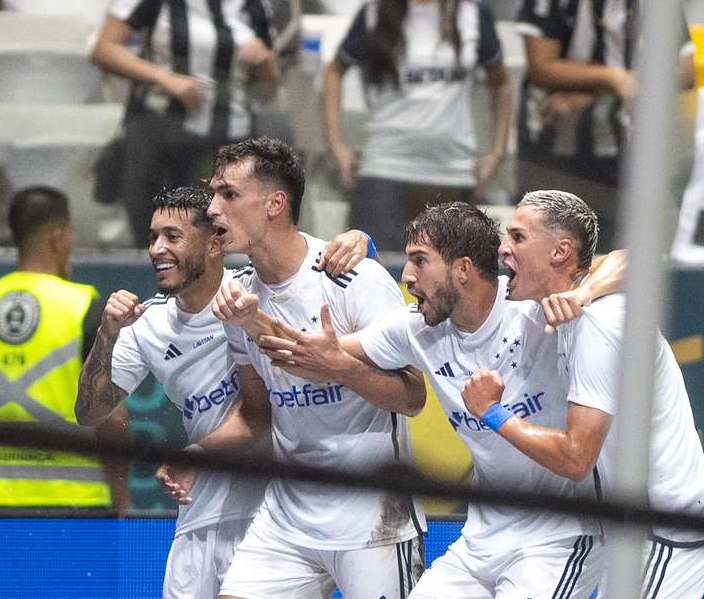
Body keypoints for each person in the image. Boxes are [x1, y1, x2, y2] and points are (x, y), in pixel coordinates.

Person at [250, 201, 626, 598]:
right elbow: (311, 355)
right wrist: (249, 319)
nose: (407, 276)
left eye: (420, 261)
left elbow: (628, 258)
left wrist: (586, 293)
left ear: (462, 269)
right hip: (480, 542)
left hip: (558, 539)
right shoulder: (416, 328)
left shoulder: (535, 308)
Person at [73, 185, 375, 599]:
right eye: (152, 237)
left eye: (173, 237)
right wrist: (107, 336)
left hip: (277, 518)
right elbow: (88, 413)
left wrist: (361, 239)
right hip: (200, 515)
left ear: (214, 243)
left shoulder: (255, 292)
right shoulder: (146, 325)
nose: (157, 249)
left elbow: (317, 268)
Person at [181, 137, 428, 598]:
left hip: (373, 521)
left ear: (275, 203)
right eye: (213, 193)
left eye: (229, 195)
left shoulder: (353, 278)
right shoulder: (236, 301)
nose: (212, 208)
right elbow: (257, 413)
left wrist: (338, 367)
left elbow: (413, 396)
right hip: (286, 518)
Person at [464, 189, 704, 597]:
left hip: (663, 531)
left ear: (560, 252)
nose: (503, 249)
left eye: (518, 237)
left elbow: (575, 458)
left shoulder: (599, 324)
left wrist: (493, 413)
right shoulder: (564, 307)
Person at [0, 187, 129, 510]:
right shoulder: (83, 305)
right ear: (57, 236)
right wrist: (121, 498)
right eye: (70, 234)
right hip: (75, 506)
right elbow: (111, 417)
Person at [323, 0, 513, 250]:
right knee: (374, 274)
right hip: (385, 167)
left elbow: (502, 82)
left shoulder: (472, 11)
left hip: (452, 171)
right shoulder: (376, 11)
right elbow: (334, 71)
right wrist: (336, 145)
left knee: (450, 279)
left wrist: (497, 152)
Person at [91, 0, 280, 247]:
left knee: (216, 242)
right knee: (163, 240)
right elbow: (104, 49)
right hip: (161, 137)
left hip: (228, 143)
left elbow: (269, 87)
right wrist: (165, 78)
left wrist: (263, 61)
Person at [514, 0, 695, 248]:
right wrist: (613, 80)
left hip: (621, 153)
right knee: (544, 257)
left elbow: (685, 69)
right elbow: (542, 67)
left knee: (607, 260)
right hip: (551, 152)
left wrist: (595, 91)